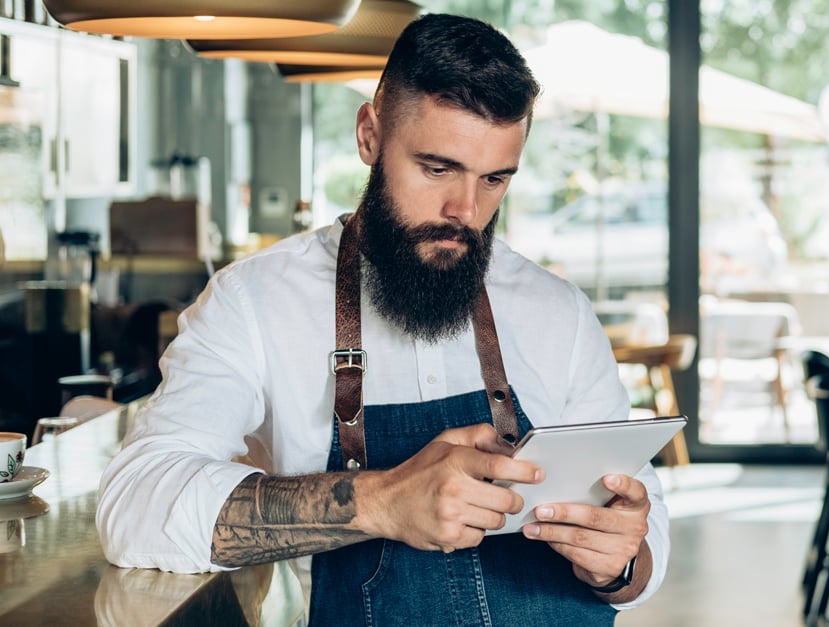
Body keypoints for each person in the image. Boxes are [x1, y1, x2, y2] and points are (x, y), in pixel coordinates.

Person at [96, 13, 668, 625]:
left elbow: (645, 515)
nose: (464, 210)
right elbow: (135, 506)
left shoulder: (560, 312)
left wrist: (622, 562)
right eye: (437, 168)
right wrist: (381, 501)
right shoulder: (253, 303)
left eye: (495, 179)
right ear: (369, 135)